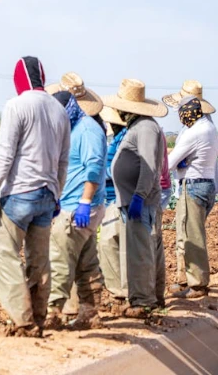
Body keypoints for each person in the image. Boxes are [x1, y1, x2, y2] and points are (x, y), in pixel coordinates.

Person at [0, 56, 71, 337]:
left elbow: (6, 153)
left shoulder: (16, 105)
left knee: (5, 253)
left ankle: (22, 320)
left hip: (20, 193)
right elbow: (63, 161)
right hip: (47, 195)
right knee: (39, 259)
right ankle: (39, 315)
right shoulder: (60, 111)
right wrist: (56, 193)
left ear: (19, 79)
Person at [102, 79, 168, 317]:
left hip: (141, 201)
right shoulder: (139, 126)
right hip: (135, 200)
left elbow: (150, 166)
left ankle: (142, 302)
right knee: (146, 249)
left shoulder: (146, 128)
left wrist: (139, 196)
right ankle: (153, 298)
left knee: (140, 252)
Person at [44, 84, 106, 330]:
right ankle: (89, 313)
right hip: (75, 206)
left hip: (78, 208)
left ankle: (50, 315)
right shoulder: (75, 128)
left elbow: (94, 166)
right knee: (86, 263)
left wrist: (84, 202)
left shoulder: (87, 130)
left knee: (58, 260)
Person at [164, 97, 218, 299]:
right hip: (208, 184)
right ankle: (187, 279)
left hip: (193, 186)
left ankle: (197, 285)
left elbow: (169, 163)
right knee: (191, 232)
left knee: (191, 235)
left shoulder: (193, 133)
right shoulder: (210, 128)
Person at [97, 106, 130, 303]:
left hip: (117, 198)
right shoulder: (119, 139)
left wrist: (99, 172)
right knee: (111, 244)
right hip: (111, 198)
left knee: (109, 244)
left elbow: (118, 169)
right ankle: (120, 289)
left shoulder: (125, 139)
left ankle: (119, 291)